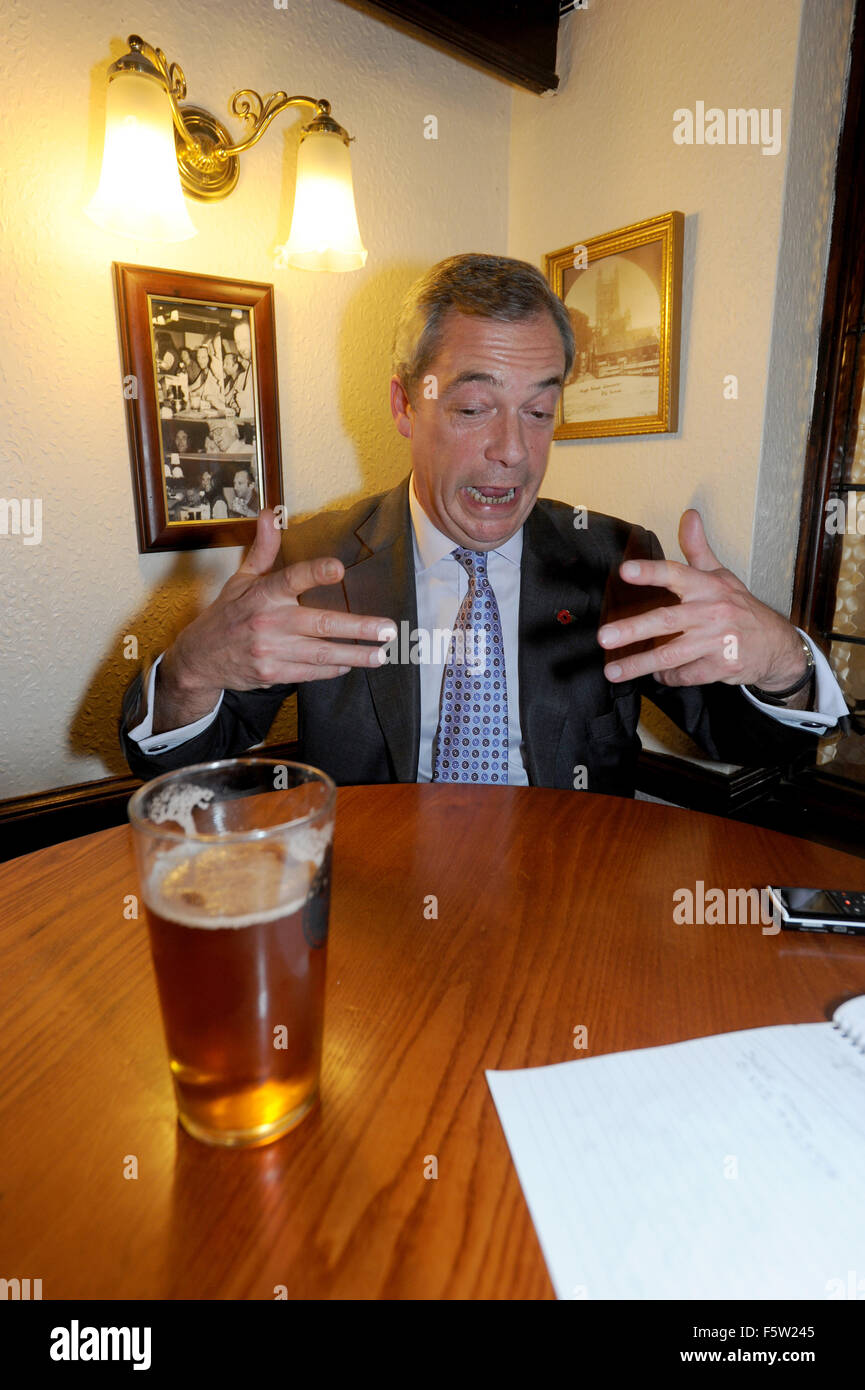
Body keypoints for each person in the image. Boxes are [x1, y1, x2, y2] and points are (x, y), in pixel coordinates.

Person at [120, 254, 848, 791]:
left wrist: (782, 662)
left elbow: (752, 741)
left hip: (567, 905)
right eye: (473, 410)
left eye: (538, 412)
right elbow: (177, 766)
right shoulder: (316, 564)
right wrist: (190, 670)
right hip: (377, 911)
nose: (512, 452)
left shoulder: (612, 558)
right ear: (405, 406)